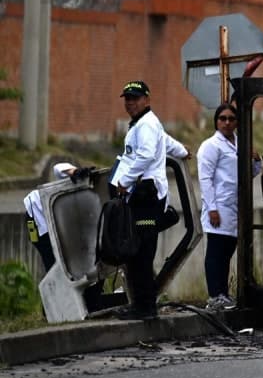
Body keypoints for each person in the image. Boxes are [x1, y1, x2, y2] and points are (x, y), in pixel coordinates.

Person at [109, 80, 169, 320]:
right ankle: (142, 305)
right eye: (127, 99)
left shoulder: (146, 125)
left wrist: (125, 181)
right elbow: (164, 142)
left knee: (141, 253)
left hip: (145, 195)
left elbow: (144, 155)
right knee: (137, 253)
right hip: (141, 195)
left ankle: (145, 308)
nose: (130, 103)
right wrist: (181, 151)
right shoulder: (144, 124)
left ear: (147, 99)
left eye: (135, 98)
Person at [197, 103, 261, 310]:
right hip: (219, 207)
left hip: (234, 208)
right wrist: (212, 209)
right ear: (216, 121)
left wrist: (256, 160)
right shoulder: (210, 146)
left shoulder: (239, 144)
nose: (226, 122)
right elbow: (205, 179)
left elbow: (248, 174)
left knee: (227, 252)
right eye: (222, 118)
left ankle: (223, 294)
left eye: (231, 119)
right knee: (216, 252)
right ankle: (215, 295)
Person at [23, 162, 103, 310]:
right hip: (36, 217)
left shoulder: (98, 206)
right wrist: (74, 171)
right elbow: (59, 168)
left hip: (58, 223)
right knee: (54, 264)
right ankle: (53, 310)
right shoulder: (83, 182)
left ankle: (81, 304)